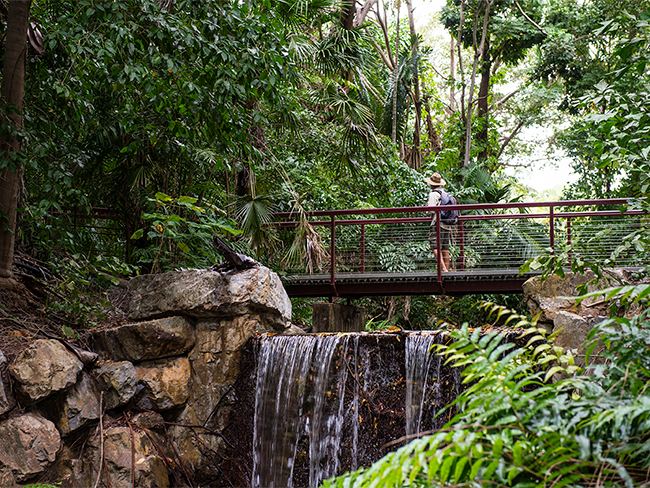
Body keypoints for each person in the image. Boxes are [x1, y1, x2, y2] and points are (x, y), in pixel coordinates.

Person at [425, 172, 454, 272]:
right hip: (447, 225)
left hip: (437, 223)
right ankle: (446, 270)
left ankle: (444, 270)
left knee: (435, 246)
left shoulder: (433, 194)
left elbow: (431, 210)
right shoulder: (446, 194)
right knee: (445, 248)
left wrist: (427, 205)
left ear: (432, 184)